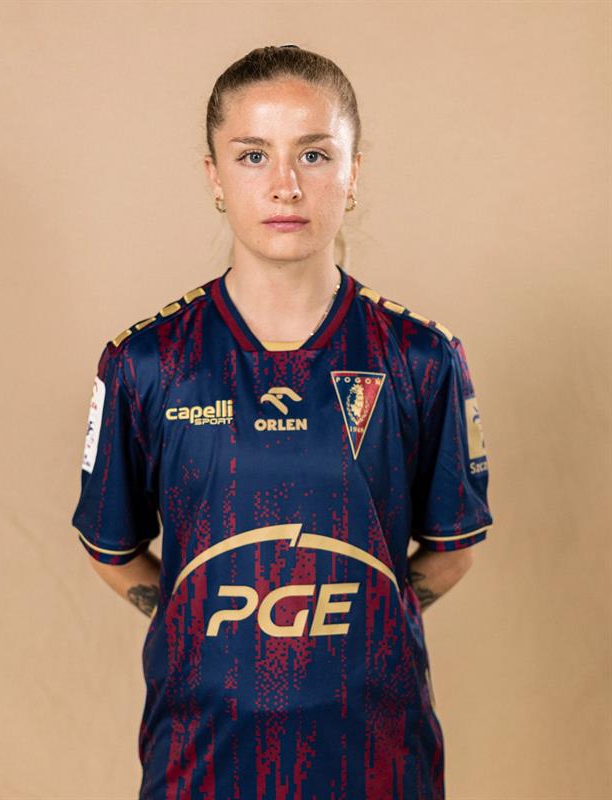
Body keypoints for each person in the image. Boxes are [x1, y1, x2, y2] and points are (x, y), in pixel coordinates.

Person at [71, 44, 494, 800]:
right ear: (214, 176)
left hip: (377, 761)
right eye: (253, 155)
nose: (286, 185)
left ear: (354, 172)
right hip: (202, 762)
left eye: (315, 154)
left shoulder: (420, 358)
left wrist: (370, 610)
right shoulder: (146, 362)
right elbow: (112, 549)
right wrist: (197, 609)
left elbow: (452, 550)